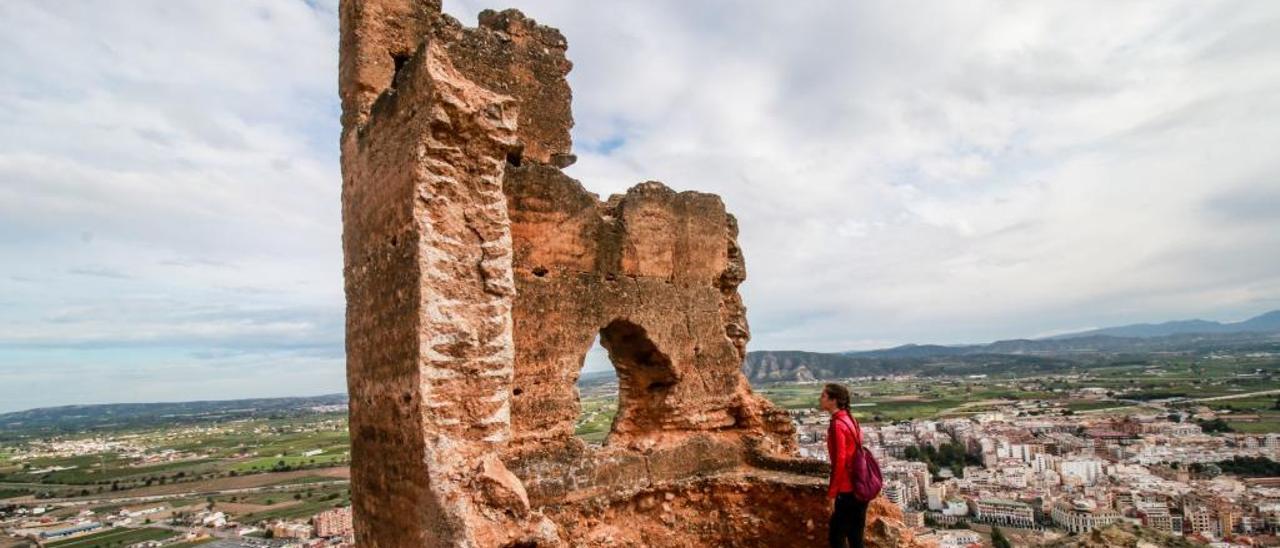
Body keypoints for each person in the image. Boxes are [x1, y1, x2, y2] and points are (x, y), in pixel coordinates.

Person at [821, 383, 868, 548]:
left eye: (824, 396)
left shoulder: (837, 425)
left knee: (836, 536)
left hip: (847, 489)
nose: (820, 399)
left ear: (833, 400)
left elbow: (840, 459)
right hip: (860, 484)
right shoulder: (851, 419)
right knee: (856, 537)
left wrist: (832, 493)